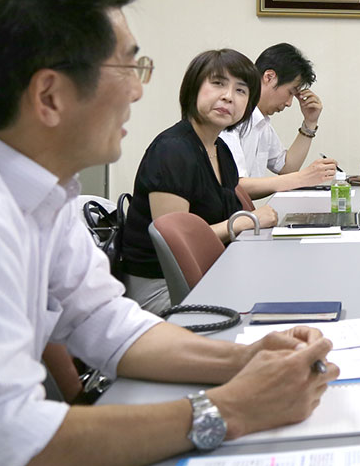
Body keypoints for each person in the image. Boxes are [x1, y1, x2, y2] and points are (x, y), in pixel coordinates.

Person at [0, 0, 336, 466]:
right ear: (50, 95)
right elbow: (8, 451)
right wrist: (229, 408)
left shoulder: (43, 186)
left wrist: (244, 360)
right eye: (128, 65)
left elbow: (108, 325)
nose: (140, 88)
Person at [118, 49, 277, 313]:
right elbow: (174, 243)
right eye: (217, 84)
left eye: (241, 91)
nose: (228, 96)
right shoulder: (172, 150)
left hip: (208, 271)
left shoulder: (219, 149)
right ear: (193, 89)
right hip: (161, 286)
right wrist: (250, 221)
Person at [219, 42, 336, 199]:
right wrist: (303, 178)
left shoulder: (261, 122)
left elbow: (286, 168)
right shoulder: (232, 118)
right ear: (269, 77)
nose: (288, 103)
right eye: (290, 92)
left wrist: (309, 122)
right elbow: (236, 186)